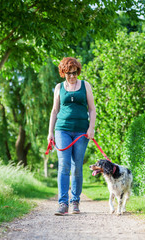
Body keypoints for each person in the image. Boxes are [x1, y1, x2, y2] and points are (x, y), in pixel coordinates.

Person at [47, 57, 96, 215]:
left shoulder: (85, 86)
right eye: (69, 73)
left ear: (78, 72)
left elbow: (92, 109)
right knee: (64, 165)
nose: (72, 76)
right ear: (63, 73)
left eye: (74, 73)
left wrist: (91, 128)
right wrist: (50, 133)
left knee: (77, 167)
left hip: (82, 131)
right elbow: (54, 111)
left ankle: (75, 202)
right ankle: (63, 203)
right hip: (62, 130)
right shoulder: (59, 87)